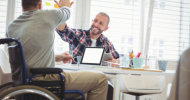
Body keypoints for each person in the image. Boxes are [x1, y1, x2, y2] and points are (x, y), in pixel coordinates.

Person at [6, 0, 108, 100]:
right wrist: (64, 5)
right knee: (101, 79)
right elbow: (67, 11)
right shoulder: (47, 15)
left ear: (22, 5)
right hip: (45, 80)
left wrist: (57, 57)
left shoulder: (11, 27)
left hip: (24, 83)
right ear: (40, 5)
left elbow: (26, 59)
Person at [56, 11, 120, 100]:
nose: (96, 24)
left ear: (106, 28)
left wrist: (113, 62)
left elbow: (118, 60)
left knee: (109, 88)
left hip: (97, 80)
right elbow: (63, 30)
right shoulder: (79, 34)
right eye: (95, 21)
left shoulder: (106, 43)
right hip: (77, 78)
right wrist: (63, 11)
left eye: (101, 23)